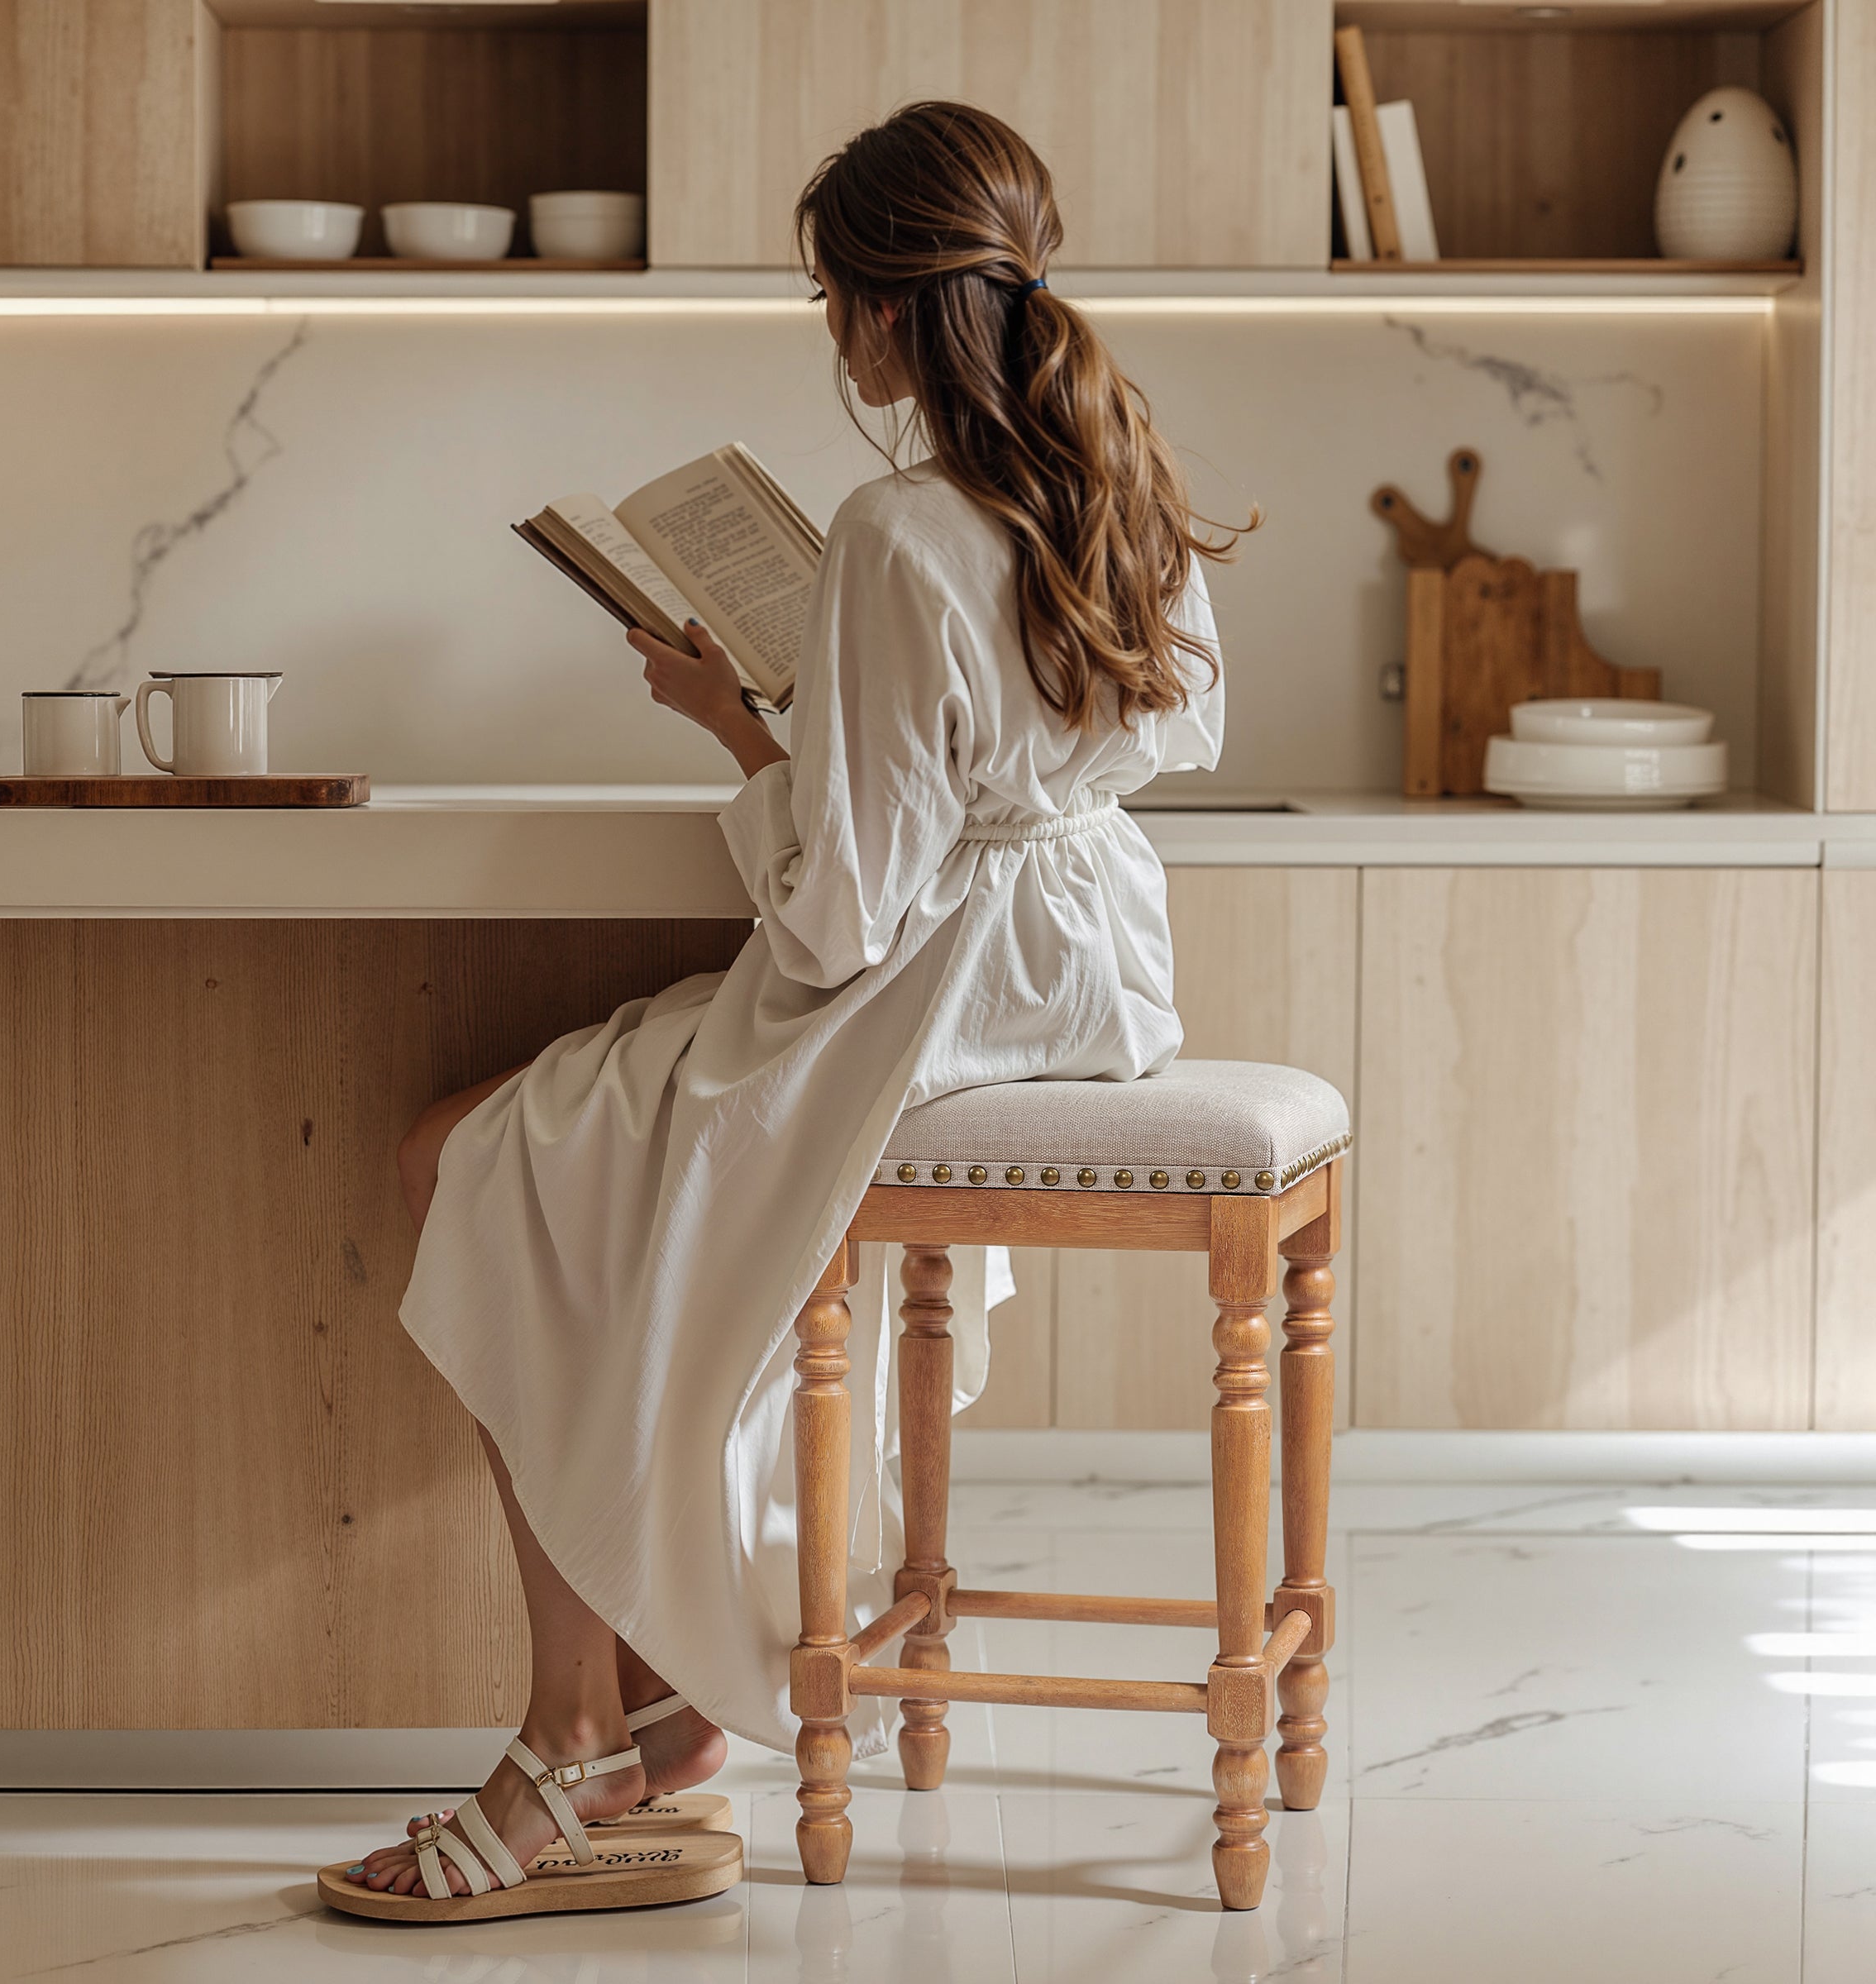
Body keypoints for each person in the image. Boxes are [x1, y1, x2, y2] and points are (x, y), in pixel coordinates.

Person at [324, 98, 1241, 1920]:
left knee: (466, 1164)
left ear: (885, 309)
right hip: (1089, 973)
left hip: (931, 993)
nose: (833, 334)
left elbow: (833, 926)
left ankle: (574, 1732)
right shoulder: (1115, 469)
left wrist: (741, 732)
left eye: (832, 299)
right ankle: (657, 1701)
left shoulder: (894, 531)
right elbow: (1188, 724)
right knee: (577, 1159)